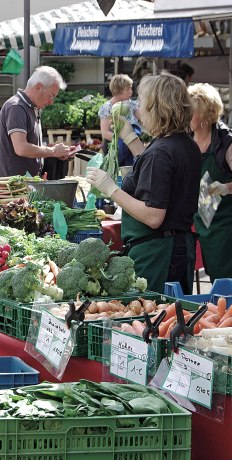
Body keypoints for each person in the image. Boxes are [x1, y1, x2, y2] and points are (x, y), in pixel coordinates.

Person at [86, 72, 201, 295]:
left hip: (158, 253)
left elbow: (153, 216)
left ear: (158, 108)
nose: (139, 110)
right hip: (175, 248)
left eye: (143, 103)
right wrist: (130, 138)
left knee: (154, 320)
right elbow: (156, 167)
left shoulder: (162, 152)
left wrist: (111, 189)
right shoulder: (184, 144)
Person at [188, 83, 232, 285]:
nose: (187, 115)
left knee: (228, 271)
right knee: (209, 264)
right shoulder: (186, 138)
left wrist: (226, 188)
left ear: (206, 115)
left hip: (231, 215)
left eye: (192, 112)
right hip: (204, 210)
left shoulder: (228, 142)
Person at [0, 66, 72, 178]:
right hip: (13, 186)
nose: (51, 102)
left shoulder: (31, 107)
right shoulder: (16, 107)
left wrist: (54, 150)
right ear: (38, 87)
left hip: (24, 184)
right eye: (51, 96)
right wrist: (53, 151)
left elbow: (30, 144)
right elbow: (21, 148)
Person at [98, 74, 142, 167]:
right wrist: (125, 139)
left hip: (131, 147)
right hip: (115, 148)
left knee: (130, 172)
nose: (131, 91)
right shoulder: (107, 107)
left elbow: (142, 117)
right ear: (119, 90)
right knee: (116, 175)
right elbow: (105, 133)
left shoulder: (131, 104)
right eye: (128, 89)